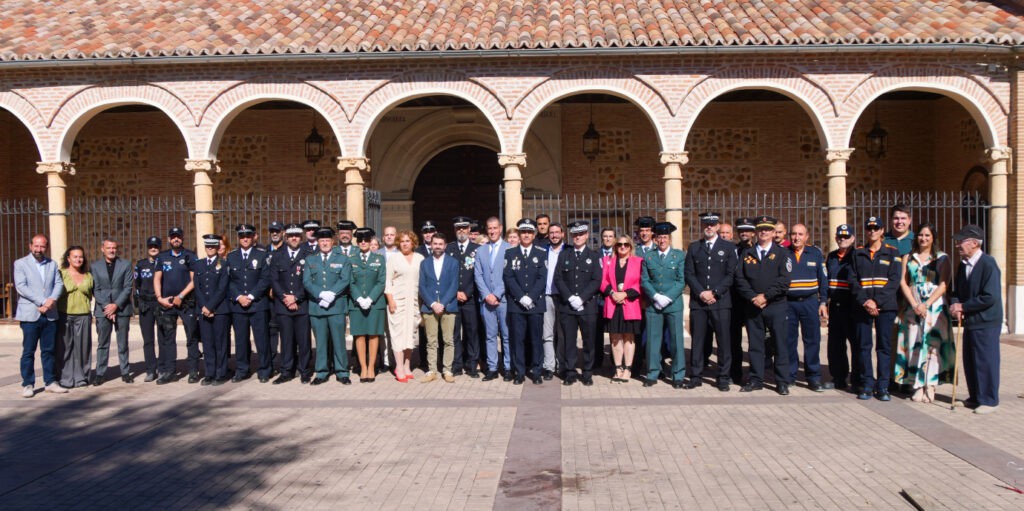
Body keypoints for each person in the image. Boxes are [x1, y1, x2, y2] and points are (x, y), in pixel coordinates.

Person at [894, 223, 953, 403]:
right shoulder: (908, 257)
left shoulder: (942, 258)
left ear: (933, 237)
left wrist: (926, 304)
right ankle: (917, 384)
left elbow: (944, 284)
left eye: (927, 235)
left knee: (932, 346)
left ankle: (931, 384)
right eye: (920, 235)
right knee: (914, 344)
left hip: (934, 307)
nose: (923, 238)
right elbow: (903, 282)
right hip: (913, 306)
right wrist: (915, 304)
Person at [735, 216, 793, 395]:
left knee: (779, 344)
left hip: (776, 305)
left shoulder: (782, 253)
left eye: (768, 229)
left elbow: (784, 280)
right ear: (756, 232)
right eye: (761, 229)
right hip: (753, 306)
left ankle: (782, 381)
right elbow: (740, 279)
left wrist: (766, 296)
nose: (764, 232)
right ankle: (756, 379)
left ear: (774, 232)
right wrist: (753, 297)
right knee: (755, 345)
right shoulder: (747, 253)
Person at [949, 224, 1002, 414]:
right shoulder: (963, 265)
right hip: (971, 321)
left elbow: (990, 296)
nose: (957, 245)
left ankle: (989, 400)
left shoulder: (988, 264)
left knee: (985, 360)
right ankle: (975, 397)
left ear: (974, 243)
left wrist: (964, 306)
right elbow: (957, 291)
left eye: (961, 241)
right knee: (971, 360)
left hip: (986, 321)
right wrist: (956, 305)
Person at [849, 216, 902, 401]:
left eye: (876, 228)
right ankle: (867, 384)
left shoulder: (892, 253)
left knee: (884, 347)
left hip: (885, 307)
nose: (872, 231)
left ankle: (883, 386)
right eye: (869, 228)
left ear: (882, 231)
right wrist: (866, 301)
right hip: (863, 307)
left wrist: (876, 302)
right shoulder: (858, 253)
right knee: (863, 347)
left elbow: (894, 280)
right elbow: (852, 280)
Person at [684, 212, 737, 391]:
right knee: (698, 341)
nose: (709, 227)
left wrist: (714, 292)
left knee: (723, 341)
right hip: (699, 302)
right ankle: (695, 376)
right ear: (702, 225)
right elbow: (689, 273)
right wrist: (701, 293)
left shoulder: (728, 247)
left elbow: (730, 274)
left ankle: (723, 377)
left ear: (718, 226)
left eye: (712, 224)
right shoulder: (694, 247)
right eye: (706, 224)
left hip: (720, 302)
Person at [15, 234, 66, 397]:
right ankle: (28, 384)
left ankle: (50, 382)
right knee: (28, 351)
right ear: (30, 246)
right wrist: (43, 301)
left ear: (46, 247)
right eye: (36, 246)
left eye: (42, 246)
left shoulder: (52, 264)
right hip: (30, 314)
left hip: (50, 314)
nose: (39, 249)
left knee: (49, 350)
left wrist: (51, 301)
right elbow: (21, 286)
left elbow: (58, 283)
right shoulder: (20, 264)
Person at [554, 221, 602, 385]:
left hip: (587, 306)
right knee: (569, 341)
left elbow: (596, 280)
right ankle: (570, 372)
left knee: (589, 341)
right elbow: (558, 279)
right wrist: (570, 298)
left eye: (581, 234)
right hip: (568, 307)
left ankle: (587, 372)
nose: (578, 237)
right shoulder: (564, 255)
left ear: (587, 235)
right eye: (575, 234)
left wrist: (581, 298)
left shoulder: (594, 256)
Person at [640, 222, 686, 388]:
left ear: (670, 239)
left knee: (676, 340)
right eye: (659, 237)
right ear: (655, 239)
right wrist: (655, 296)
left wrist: (667, 298)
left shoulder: (679, 256)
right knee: (653, 340)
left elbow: (681, 281)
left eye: (665, 237)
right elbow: (644, 280)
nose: (662, 240)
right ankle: (652, 373)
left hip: (673, 304)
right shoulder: (648, 257)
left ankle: (678, 374)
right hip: (654, 305)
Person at [304, 227, 352, 385]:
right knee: (321, 342)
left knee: (339, 341)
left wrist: (332, 294)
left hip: (336, 306)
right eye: (321, 240)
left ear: (332, 241)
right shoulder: (310, 260)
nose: (324, 243)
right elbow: (306, 282)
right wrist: (320, 294)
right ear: (318, 242)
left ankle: (342, 371)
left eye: (327, 240)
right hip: (317, 306)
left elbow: (345, 279)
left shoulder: (342, 259)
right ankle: (321, 372)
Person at [785, 223, 829, 391]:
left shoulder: (815, 253)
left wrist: (823, 302)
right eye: (794, 234)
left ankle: (813, 377)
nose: (796, 237)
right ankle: (790, 375)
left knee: (812, 340)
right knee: (789, 341)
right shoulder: (784, 253)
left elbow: (823, 280)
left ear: (807, 236)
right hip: (789, 303)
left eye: (800, 234)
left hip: (810, 303)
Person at [227, 224, 273, 383]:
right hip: (238, 305)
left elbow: (265, 279)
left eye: (248, 236)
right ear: (238, 238)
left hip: (258, 304)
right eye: (242, 236)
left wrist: (252, 296)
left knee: (262, 339)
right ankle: (242, 369)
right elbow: (229, 281)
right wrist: (239, 296)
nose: (245, 239)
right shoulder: (231, 256)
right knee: (241, 340)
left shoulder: (262, 255)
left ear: (254, 237)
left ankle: (265, 370)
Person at [503, 218, 548, 385]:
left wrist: (531, 296)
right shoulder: (510, 253)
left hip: (536, 304)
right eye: (523, 232)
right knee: (517, 340)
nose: (526, 235)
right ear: (519, 234)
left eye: (529, 232)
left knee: (536, 339)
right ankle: (519, 372)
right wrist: (521, 296)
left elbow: (542, 278)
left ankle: (537, 371)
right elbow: (508, 277)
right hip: (516, 304)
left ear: (534, 234)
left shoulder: (541, 252)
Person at [153, 227, 198, 384]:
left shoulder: (190, 256)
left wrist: (181, 296)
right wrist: (159, 298)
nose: (176, 239)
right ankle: (169, 371)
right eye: (173, 237)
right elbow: (157, 278)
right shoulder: (162, 257)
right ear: (169, 239)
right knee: (168, 338)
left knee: (191, 336)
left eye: (178, 236)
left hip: (186, 302)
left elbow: (194, 280)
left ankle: (193, 371)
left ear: (182, 238)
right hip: (167, 303)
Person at [268, 224, 313, 384]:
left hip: (302, 305)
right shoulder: (277, 255)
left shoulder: (309, 255)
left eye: (297, 235)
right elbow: (274, 280)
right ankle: (286, 371)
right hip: (283, 305)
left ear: (301, 238)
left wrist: (296, 298)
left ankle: (304, 370)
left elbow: (310, 280)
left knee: (304, 341)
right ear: (286, 237)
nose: (294, 238)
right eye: (291, 235)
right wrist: (286, 298)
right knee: (286, 341)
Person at [90, 238, 134, 385]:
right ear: (102, 249)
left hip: (122, 309)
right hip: (103, 310)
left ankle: (125, 372)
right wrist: (107, 306)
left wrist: (115, 305)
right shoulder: (95, 266)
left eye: (114, 248)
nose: (112, 250)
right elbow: (95, 289)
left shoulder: (125, 264)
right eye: (108, 248)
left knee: (123, 343)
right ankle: (100, 373)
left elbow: (128, 287)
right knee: (103, 343)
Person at [419, 232, 460, 383]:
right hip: (430, 307)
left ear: (445, 245)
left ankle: (447, 370)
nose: (437, 246)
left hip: (448, 306)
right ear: (431, 245)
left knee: (448, 340)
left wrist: (442, 303)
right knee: (431, 341)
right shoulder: (424, 263)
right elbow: (422, 286)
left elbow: (454, 285)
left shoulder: (453, 262)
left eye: (440, 244)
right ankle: (432, 370)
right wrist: (432, 304)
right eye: (435, 243)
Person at [602, 235, 643, 383]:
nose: (623, 247)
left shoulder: (639, 262)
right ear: (615, 247)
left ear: (631, 247)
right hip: (613, 303)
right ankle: (618, 367)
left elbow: (640, 283)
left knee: (629, 337)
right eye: (619, 244)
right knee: (615, 337)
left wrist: (625, 294)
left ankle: (628, 368)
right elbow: (603, 281)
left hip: (629, 303)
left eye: (626, 244)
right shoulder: (607, 261)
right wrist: (613, 294)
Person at [475, 217, 512, 381]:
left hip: (503, 300)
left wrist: (496, 294)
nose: (492, 231)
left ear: (500, 228)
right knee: (490, 336)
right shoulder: (481, 250)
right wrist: (486, 295)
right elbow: (478, 275)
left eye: (495, 228)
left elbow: (509, 275)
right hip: (486, 301)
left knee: (506, 335)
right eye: (489, 228)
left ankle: (508, 367)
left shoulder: (509, 249)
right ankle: (492, 368)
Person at [385, 230, 424, 382]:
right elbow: (388, 281)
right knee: (397, 335)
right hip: (397, 301)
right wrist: (390, 300)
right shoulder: (394, 258)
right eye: (402, 241)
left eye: (407, 241)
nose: (405, 244)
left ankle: (407, 365)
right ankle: (399, 367)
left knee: (410, 335)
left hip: (414, 302)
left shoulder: (420, 258)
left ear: (413, 242)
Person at [193, 234, 231, 385]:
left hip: (219, 309)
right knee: (207, 343)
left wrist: (210, 306)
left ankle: (221, 373)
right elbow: (197, 287)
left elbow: (222, 288)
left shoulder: (224, 264)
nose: (210, 248)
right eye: (207, 245)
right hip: (203, 310)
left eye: (213, 246)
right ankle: (209, 373)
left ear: (217, 247)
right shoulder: (199, 264)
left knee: (220, 343)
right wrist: (204, 306)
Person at [825, 224, 860, 391]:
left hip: (852, 305)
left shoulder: (857, 256)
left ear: (853, 238)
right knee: (836, 344)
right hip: (835, 305)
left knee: (856, 344)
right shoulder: (831, 257)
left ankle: (857, 380)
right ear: (836, 238)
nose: (843, 239)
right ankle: (838, 378)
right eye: (840, 236)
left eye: (846, 237)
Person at [350, 227, 387, 383]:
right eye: (360, 240)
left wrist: (370, 298)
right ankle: (363, 367)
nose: (363, 242)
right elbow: (350, 282)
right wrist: (359, 298)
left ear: (370, 241)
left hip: (375, 303)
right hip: (356, 304)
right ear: (357, 242)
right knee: (359, 335)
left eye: (366, 240)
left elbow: (381, 281)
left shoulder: (379, 259)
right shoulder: (351, 259)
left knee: (373, 334)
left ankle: (371, 367)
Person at [446, 216, 481, 377]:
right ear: (455, 230)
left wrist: (467, 292)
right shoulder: (449, 249)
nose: (461, 230)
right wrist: (455, 292)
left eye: (464, 227)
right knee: (454, 333)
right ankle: (457, 365)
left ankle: (472, 364)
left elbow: (478, 275)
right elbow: (446, 275)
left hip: (470, 298)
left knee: (472, 332)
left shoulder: (477, 249)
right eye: (458, 228)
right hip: (453, 298)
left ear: (469, 229)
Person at [58, 246, 94, 389]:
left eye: (81, 256)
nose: (78, 259)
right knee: (65, 348)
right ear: (68, 258)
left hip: (84, 315)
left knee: (83, 349)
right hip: (64, 315)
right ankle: (65, 378)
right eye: (75, 256)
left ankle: (81, 378)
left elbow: (91, 294)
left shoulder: (88, 275)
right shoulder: (61, 274)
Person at [728, 217, 756, 383]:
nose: (744, 233)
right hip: (736, 300)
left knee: (755, 340)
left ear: (753, 233)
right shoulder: (733, 250)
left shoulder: (758, 249)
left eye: (747, 230)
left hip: (752, 300)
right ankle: (735, 373)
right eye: (741, 230)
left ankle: (755, 375)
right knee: (734, 340)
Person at [134, 236, 162, 382]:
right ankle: (151, 370)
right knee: (148, 339)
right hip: (146, 304)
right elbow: (137, 283)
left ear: (160, 248)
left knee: (163, 337)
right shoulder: (141, 264)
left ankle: (163, 368)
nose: (153, 248)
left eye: (156, 246)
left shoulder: (164, 263)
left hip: (160, 303)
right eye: (151, 246)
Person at [541, 222, 565, 379]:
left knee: (562, 334)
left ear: (562, 234)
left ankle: (561, 365)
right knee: (547, 334)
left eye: (557, 232)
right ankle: (549, 366)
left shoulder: (569, 250)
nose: (554, 235)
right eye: (551, 233)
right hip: (547, 296)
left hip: (564, 298)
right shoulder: (542, 251)